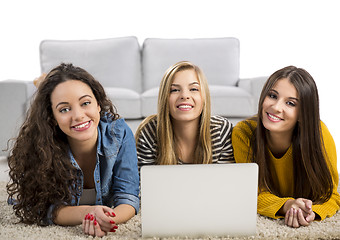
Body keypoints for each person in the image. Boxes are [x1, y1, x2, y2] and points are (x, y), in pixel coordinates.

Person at [7, 63, 140, 237]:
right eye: (64, 109)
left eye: (85, 103)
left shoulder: (119, 133)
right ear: (52, 118)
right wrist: (86, 213)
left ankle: (44, 84)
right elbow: (39, 208)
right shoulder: (42, 145)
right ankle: (43, 85)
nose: (78, 116)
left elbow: (128, 197)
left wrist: (108, 220)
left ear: (98, 105)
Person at [232, 66, 340, 228]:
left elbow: (331, 194)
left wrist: (311, 212)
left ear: (303, 113)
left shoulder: (319, 132)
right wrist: (288, 205)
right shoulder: (243, 132)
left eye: (290, 103)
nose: (276, 107)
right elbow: (251, 194)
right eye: (272, 96)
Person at [135, 61, 234, 166]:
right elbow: (143, 180)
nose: (184, 95)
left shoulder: (221, 130)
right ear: (165, 98)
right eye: (174, 90)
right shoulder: (150, 132)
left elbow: (227, 180)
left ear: (204, 97)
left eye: (194, 89)